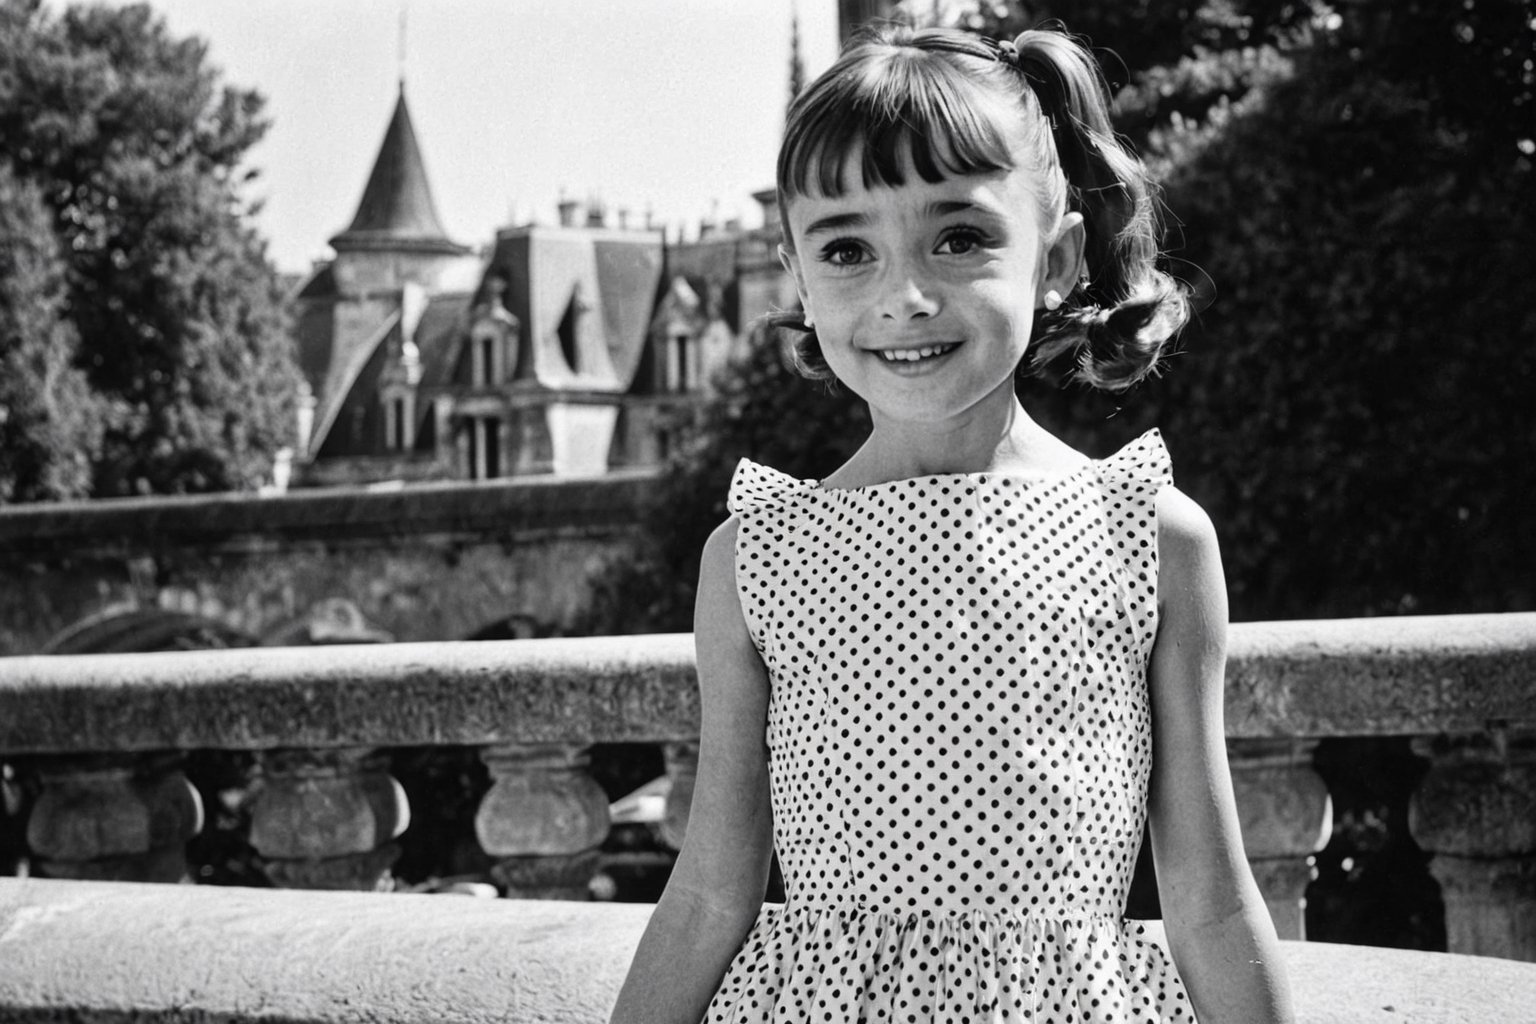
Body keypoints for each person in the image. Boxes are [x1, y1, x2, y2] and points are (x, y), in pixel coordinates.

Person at [611, 23, 1292, 1024]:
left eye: (960, 236)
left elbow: (1214, 906)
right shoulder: (754, 555)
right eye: (848, 248)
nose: (906, 294)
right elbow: (713, 887)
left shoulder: (1149, 538)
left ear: (1055, 260)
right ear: (797, 275)